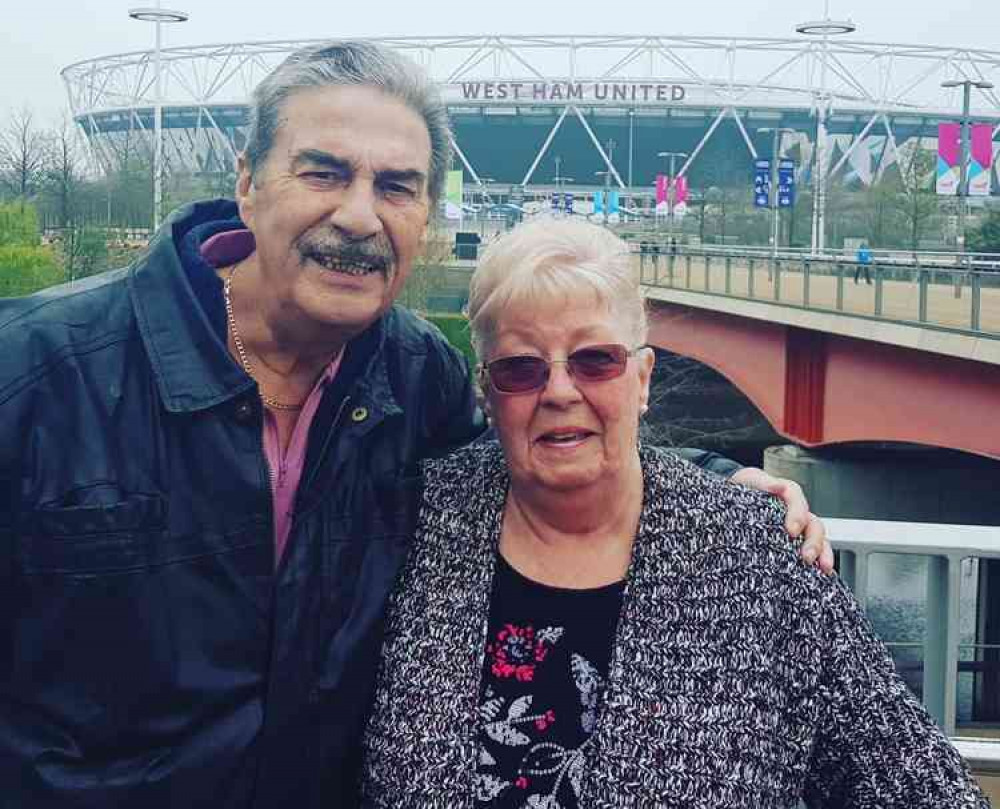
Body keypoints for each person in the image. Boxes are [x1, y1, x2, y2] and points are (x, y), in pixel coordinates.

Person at [0, 42, 828, 808]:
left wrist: (717, 485)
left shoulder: (410, 373)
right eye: (324, 173)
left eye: (397, 186)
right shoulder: (34, 374)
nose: (361, 217)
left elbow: (530, 445)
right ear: (247, 181)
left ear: (426, 213)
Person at [362, 219, 989, 808]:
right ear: (486, 392)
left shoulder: (759, 556)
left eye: (595, 360)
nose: (558, 391)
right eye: (520, 369)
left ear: (641, 378)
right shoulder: (415, 523)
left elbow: (917, 785)